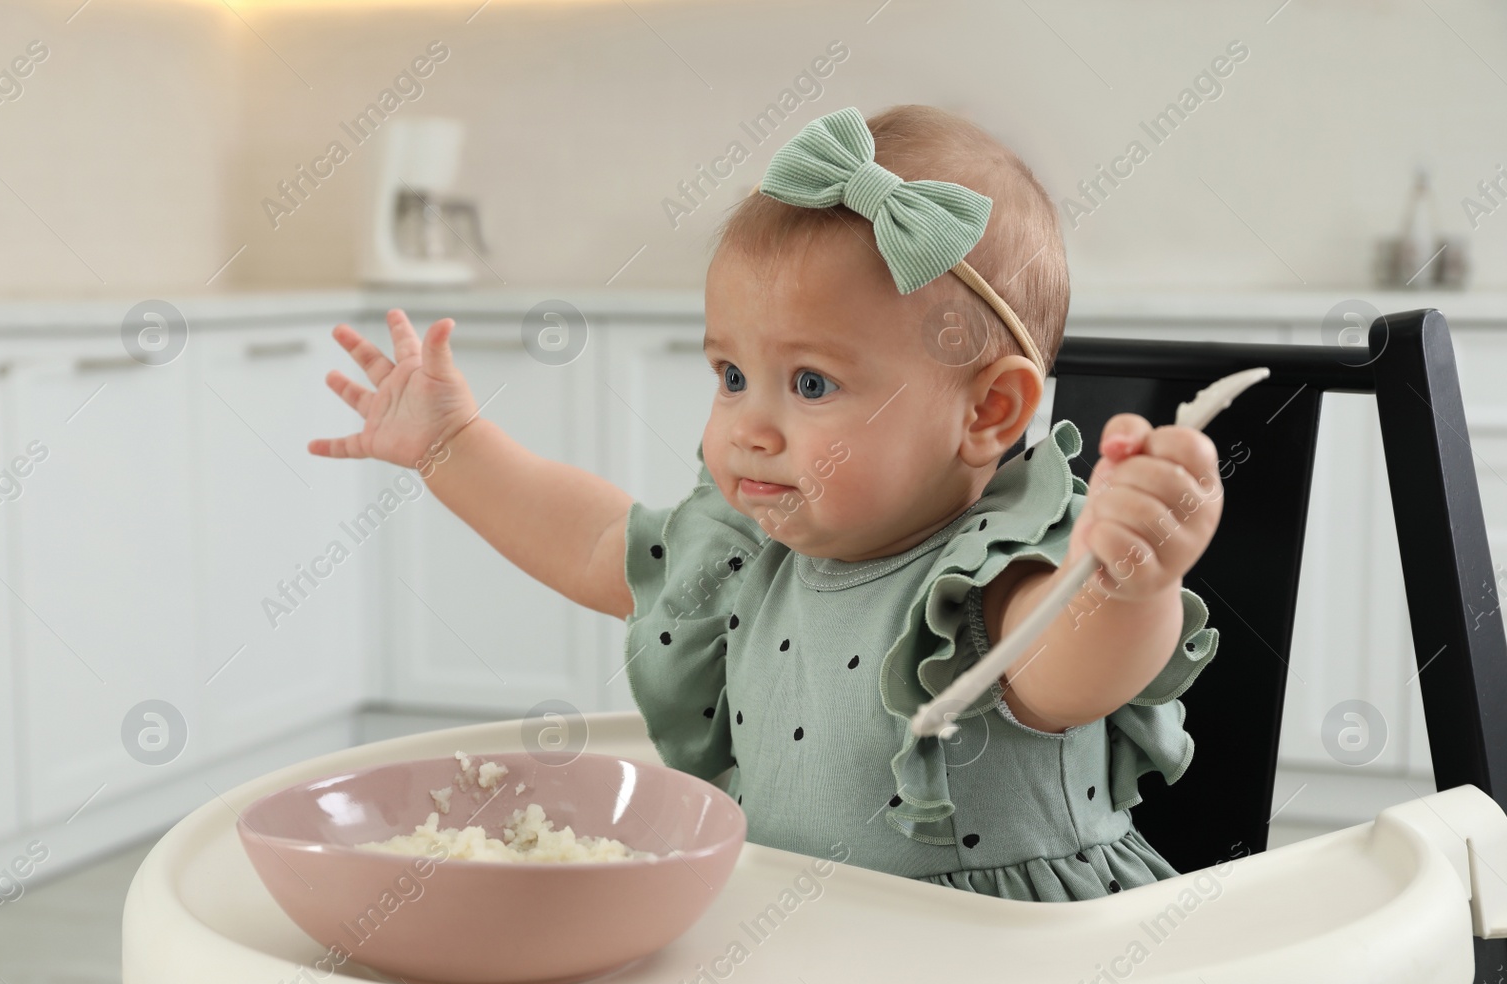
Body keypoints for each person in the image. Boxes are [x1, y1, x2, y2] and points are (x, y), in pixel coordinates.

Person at [309, 105, 1222, 902]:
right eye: (733, 375)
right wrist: (453, 447)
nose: (749, 424)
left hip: (1011, 978)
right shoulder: (751, 551)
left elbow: (1070, 667)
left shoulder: (988, 573)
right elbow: (593, 540)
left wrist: (1129, 582)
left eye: (813, 383)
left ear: (986, 411)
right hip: (802, 945)